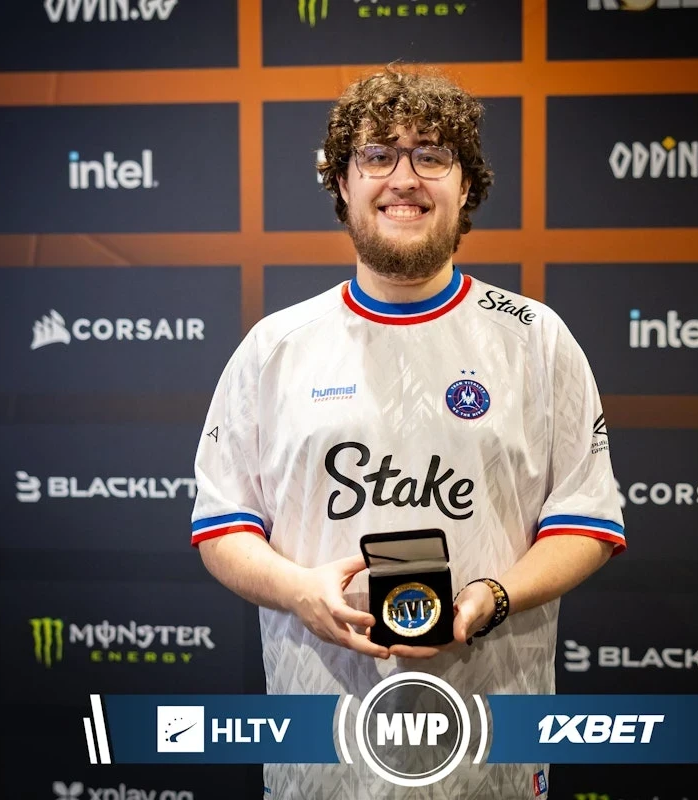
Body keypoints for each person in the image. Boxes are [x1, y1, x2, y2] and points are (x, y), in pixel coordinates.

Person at [191, 64, 626, 800]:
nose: (404, 178)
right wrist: (299, 591)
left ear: (466, 185)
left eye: (431, 155)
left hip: (492, 752)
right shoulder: (275, 348)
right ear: (342, 183)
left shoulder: (535, 339)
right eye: (377, 155)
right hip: (321, 758)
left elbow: (586, 521)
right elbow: (222, 525)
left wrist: (495, 594)